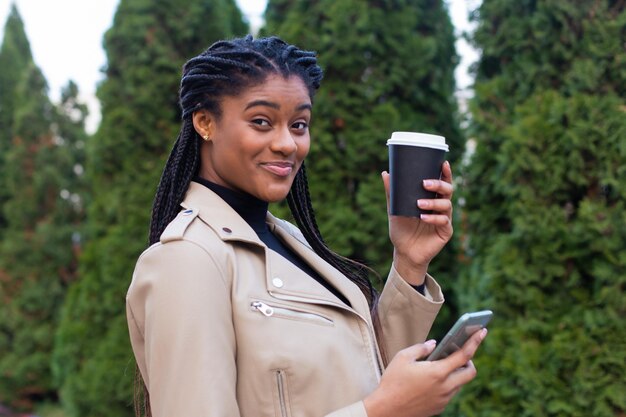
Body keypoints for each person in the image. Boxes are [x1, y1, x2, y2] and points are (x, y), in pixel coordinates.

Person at [126, 35, 487, 417]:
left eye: (299, 124)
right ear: (204, 123)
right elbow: (376, 403)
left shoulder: (292, 243)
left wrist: (410, 263)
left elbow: (365, 370)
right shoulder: (188, 259)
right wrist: (380, 411)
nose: (287, 143)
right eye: (261, 122)